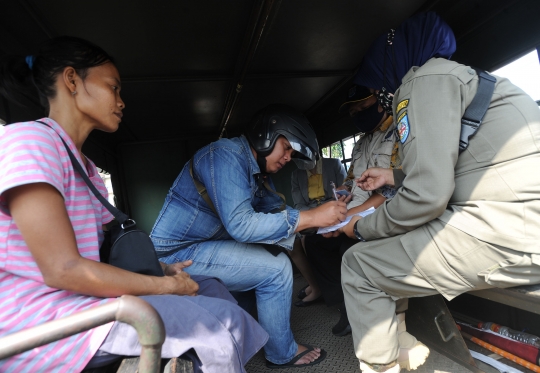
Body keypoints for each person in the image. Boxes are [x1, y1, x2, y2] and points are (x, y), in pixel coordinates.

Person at [0, 36, 269, 373]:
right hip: (44, 323)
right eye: (113, 87)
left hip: (85, 305)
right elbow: (63, 269)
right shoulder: (30, 141)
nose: (121, 101)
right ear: (71, 80)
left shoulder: (84, 167)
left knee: (210, 286)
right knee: (217, 327)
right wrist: (165, 285)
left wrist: (162, 271)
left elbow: (100, 255)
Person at [334, 11, 540, 373]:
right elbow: (468, 162)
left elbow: (427, 196)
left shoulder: (422, 80)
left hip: (509, 235)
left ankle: (381, 366)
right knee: (385, 249)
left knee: (359, 263)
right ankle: (402, 345)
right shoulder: (464, 77)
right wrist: (394, 175)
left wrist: (362, 228)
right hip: (522, 221)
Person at [150, 104, 348, 368]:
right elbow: (241, 225)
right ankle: (282, 353)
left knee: (271, 255)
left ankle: (243, 336)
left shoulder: (256, 173)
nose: (288, 158)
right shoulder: (225, 155)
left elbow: (279, 213)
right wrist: (311, 217)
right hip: (174, 255)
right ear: (265, 135)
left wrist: (319, 223)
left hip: (203, 246)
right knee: (276, 270)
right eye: (286, 147)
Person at [302, 84, 400, 337]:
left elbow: (394, 186)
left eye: (363, 108)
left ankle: (362, 311)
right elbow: (352, 178)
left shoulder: (399, 132)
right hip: (356, 211)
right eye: (354, 112)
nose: (359, 115)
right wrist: (343, 196)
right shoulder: (360, 144)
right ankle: (346, 304)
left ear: (380, 102)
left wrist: (354, 215)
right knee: (314, 242)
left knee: (350, 246)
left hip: (386, 213)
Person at [289, 156, 347, 306]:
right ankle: (316, 285)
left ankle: (322, 287)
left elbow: (345, 191)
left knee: (311, 242)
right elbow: (298, 205)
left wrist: (328, 212)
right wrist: (316, 216)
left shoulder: (333, 164)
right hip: (312, 216)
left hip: (335, 211)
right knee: (299, 241)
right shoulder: (296, 174)